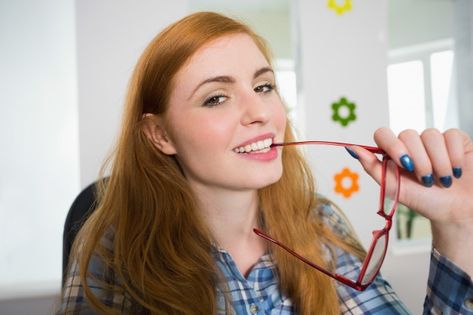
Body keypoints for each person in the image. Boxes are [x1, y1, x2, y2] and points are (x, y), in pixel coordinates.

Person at [58, 11, 473, 315]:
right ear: (160, 135)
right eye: (216, 97)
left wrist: (456, 225)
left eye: (264, 86)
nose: (260, 112)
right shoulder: (114, 246)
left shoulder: (319, 222)